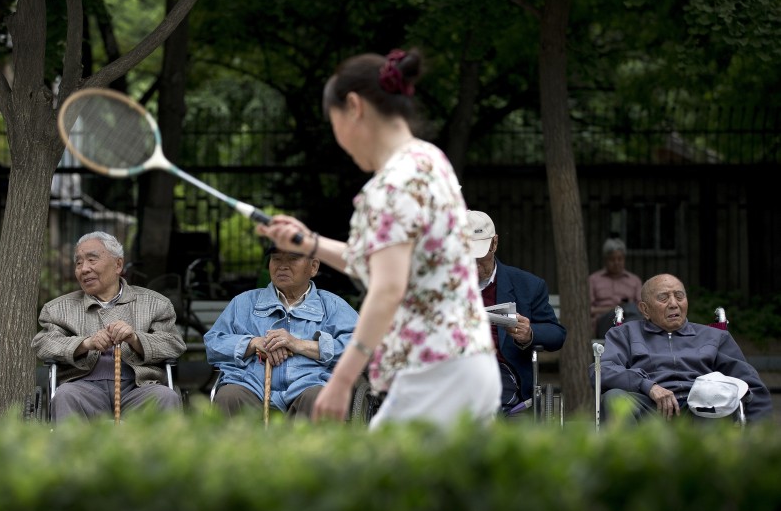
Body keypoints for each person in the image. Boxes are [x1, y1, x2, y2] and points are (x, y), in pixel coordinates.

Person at [257, 48, 500, 430]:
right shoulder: (429, 160)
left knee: (380, 487)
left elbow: (388, 287)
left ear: (354, 107)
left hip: (433, 374)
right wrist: (308, 242)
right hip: (468, 364)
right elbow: (378, 260)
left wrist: (340, 379)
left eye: (334, 123)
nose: (338, 140)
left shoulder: (390, 184)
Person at [32, 231, 186, 422]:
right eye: (79, 263)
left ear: (118, 265)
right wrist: (85, 344)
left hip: (138, 387)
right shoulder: (58, 309)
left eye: (92, 260)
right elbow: (43, 344)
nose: (84, 269)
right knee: (64, 395)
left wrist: (135, 339)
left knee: (166, 397)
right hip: (83, 387)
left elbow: (174, 343)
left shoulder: (155, 303)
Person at [591, 273, 772, 423]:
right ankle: (626, 465)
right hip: (648, 408)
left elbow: (751, 385)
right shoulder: (625, 334)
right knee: (614, 398)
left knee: (716, 399)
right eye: (663, 297)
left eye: (679, 296)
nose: (673, 303)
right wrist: (648, 386)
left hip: (700, 412)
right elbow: (601, 370)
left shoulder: (714, 336)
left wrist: (758, 438)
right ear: (645, 309)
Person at [205, 245, 359, 419]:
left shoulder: (333, 306)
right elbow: (213, 344)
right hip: (251, 386)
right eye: (276, 259)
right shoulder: (243, 303)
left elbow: (361, 349)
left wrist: (299, 345)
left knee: (319, 398)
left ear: (313, 267)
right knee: (229, 396)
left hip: (309, 386)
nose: (282, 266)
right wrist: (253, 343)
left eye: (293, 258)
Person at [466, 210, 567, 415]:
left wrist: (529, 334)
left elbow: (556, 335)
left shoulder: (527, 285)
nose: (474, 263)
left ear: (494, 243)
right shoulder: (441, 285)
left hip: (499, 368)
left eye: (480, 254)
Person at [589, 237, 643, 336]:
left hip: (629, 320)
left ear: (624, 259)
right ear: (605, 260)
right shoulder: (593, 280)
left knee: (630, 314)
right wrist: (614, 308)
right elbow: (589, 309)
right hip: (605, 322)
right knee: (625, 310)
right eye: (612, 259)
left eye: (620, 259)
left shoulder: (634, 280)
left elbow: (641, 307)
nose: (616, 263)